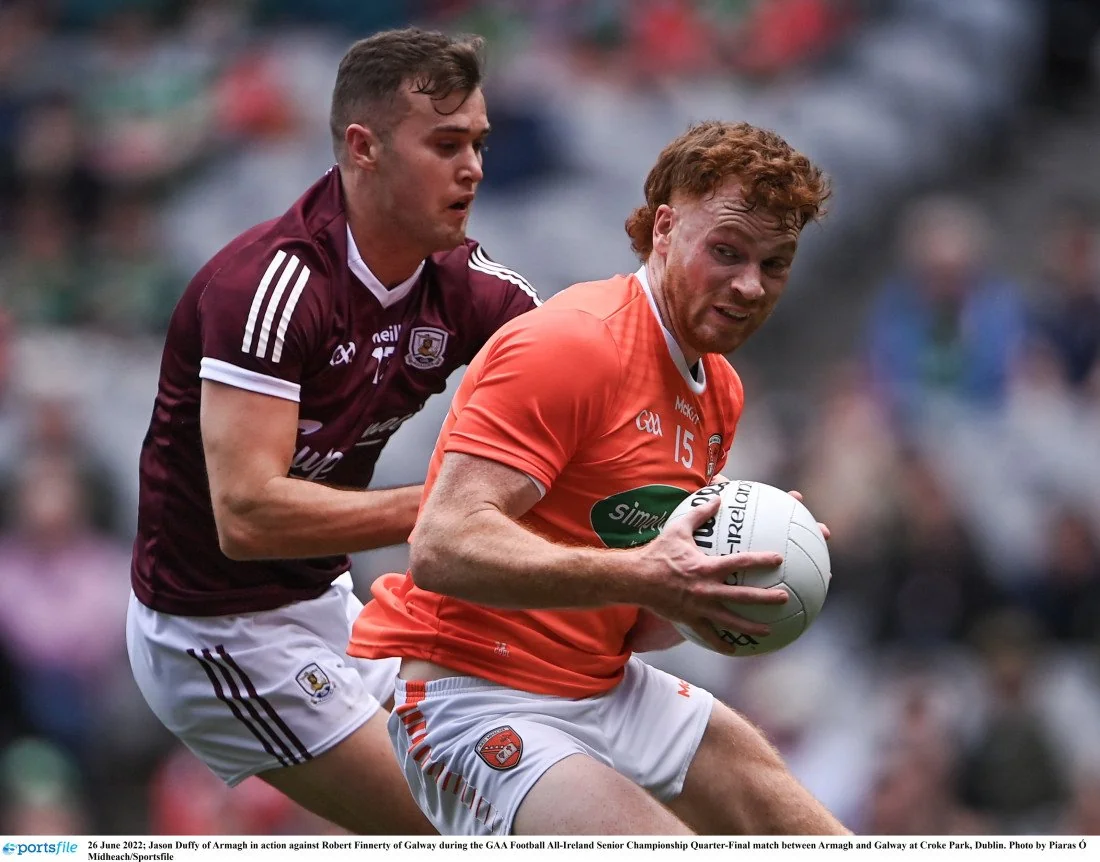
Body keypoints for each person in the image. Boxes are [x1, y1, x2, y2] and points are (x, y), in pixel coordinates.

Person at [350, 120, 849, 835]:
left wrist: (727, 581)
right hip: (476, 695)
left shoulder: (720, 390)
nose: (749, 285)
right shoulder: (575, 344)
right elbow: (442, 545)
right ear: (666, 229)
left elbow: (642, 621)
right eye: (728, 252)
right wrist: (646, 574)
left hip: (603, 685)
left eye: (775, 264)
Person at [125, 28, 540, 834]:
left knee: (537, 783)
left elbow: (592, 377)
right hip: (216, 636)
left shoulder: (469, 286)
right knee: (457, 828)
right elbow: (247, 518)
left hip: (326, 603)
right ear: (364, 147)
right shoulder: (267, 288)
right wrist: (451, 505)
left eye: (480, 144)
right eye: (446, 144)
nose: (474, 169)